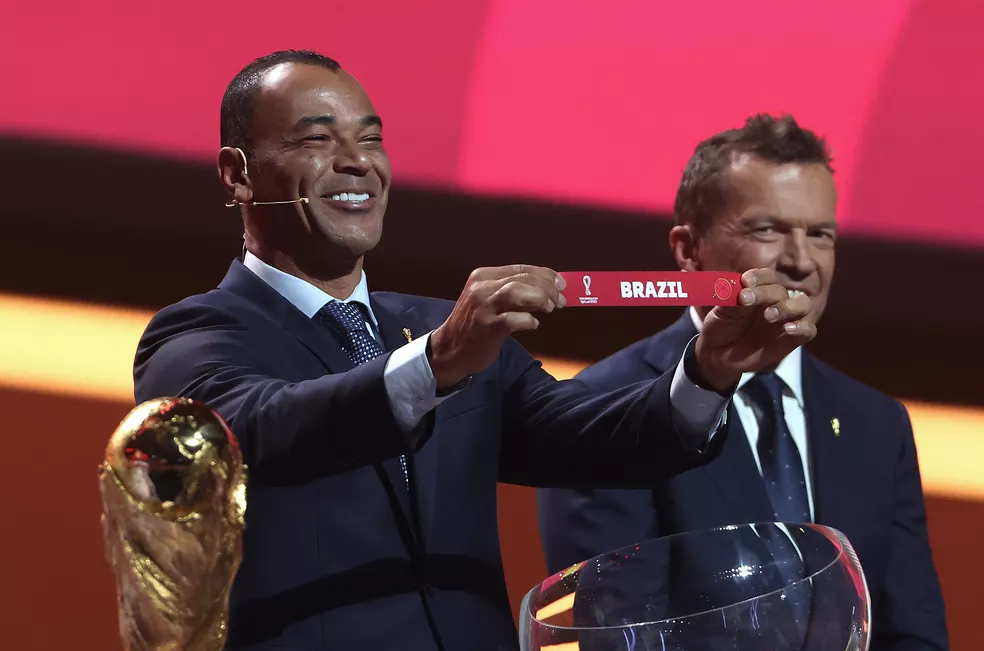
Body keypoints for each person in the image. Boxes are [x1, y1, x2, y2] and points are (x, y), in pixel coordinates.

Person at [132, 51, 815, 651]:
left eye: (370, 139)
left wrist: (709, 372)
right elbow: (261, 430)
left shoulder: (441, 328)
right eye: (317, 139)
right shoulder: (194, 337)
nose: (357, 161)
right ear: (237, 174)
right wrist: (435, 363)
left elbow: (588, 438)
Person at [537, 114, 949, 650]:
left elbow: (913, 634)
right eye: (767, 230)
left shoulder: (877, 423)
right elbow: (622, 635)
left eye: (820, 235)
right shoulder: (605, 405)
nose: (801, 262)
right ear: (689, 250)